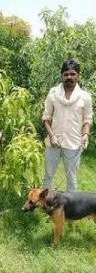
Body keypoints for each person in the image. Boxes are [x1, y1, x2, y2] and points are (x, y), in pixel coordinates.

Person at [42, 59, 93, 191]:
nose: (69, 77)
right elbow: (46, 118)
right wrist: (52, 136)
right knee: (48, 175)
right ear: (61, 76)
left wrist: (86, 135)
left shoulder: (85, 97)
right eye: (66, 74)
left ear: (78, 76)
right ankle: (45, 204)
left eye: (72, 74)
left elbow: (87, 119)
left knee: (71, 178)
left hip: (74, 143)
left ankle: (71, 209)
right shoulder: (53, 93)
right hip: (54, 142)